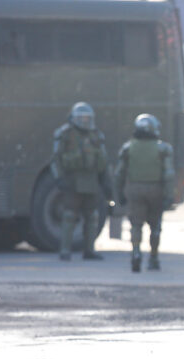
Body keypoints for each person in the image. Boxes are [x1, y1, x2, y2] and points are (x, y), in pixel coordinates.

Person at [51, 102, 111, 261]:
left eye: (87, 118)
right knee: (69, 215)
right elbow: (56, 159)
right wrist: (59, 178)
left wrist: (106, 182)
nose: (85, 121)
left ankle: (89, 250)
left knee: (92, 217)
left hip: (91, 181)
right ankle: (65, 251)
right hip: (73, 181)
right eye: (81, 118)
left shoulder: (96, 135)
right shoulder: (65, 134)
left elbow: (104, 160)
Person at [115, 114, 175, 272]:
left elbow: (119, 174)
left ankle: (136, 253)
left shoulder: (128, 147)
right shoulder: (163, 148)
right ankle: (153, 258)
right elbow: (169, 174)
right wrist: (169, 196)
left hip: (134, 190)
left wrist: (118, 194)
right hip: (156, 190)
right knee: (155, 226)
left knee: (136, 224)